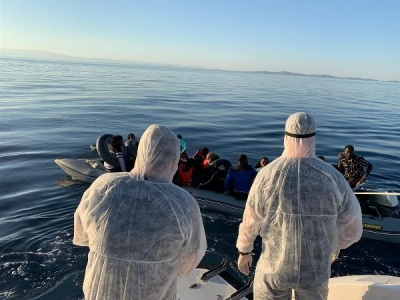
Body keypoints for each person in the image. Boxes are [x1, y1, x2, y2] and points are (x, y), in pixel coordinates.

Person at [236, 112, 363, 300]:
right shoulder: (332, 177)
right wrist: (338, 245)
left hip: (274, 269)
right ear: (314, 138)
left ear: (286, 137)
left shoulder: (267, 174)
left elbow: (251, 219)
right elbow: (352, 228)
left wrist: (244, 250)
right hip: (314, 272)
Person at [73, 124, 207, 300]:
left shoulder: (103, 186)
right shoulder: (183, 203)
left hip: (98, 293)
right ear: (174, 160)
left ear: (140, 153)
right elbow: (187, 264)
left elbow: (82, 236)